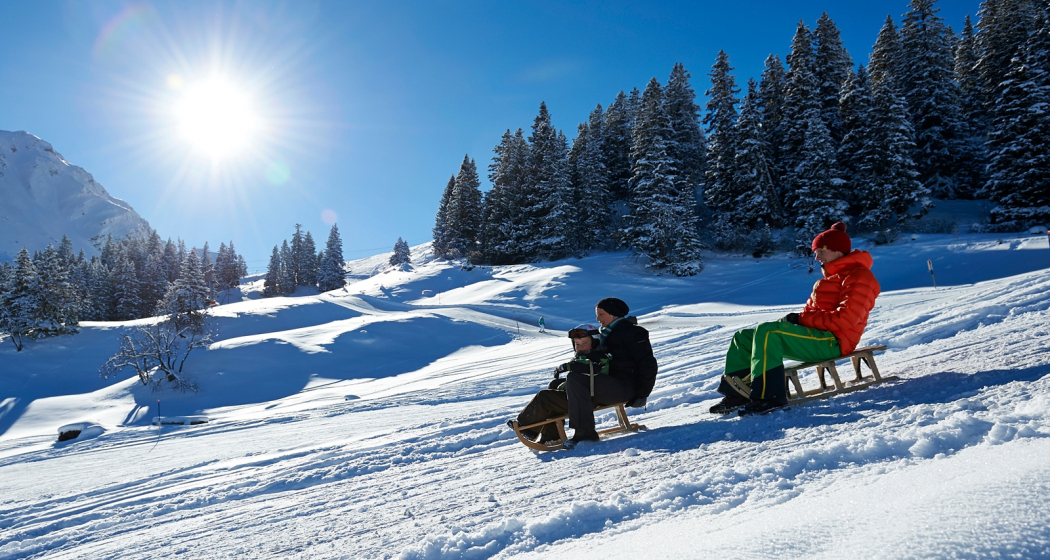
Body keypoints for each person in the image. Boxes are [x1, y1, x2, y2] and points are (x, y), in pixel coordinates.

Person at [709, 222, 881, 415]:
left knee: (768, 331)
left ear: (837, 251)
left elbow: (845, 319)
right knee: (743, 337)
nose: (816, 258)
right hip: (817, 336)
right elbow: (807, 314)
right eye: (815, 252)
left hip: (835, 341)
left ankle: (769, 397)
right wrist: (792, 321)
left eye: (820, 252)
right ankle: (738, 394)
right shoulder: (826, 281)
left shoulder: (859, 277)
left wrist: (800, 321)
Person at [564, 298, 658, 444]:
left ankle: (585, 431)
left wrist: (642, 393)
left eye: (601, 314)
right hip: (608, 383)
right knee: (560, 382)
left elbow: (648, 363)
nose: (597, 318)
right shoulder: (604, 334)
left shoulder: (633, 333)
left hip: (625, 386)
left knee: (576, 378)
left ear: (613, 314)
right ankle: (548, 430)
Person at [512, 324, 611, 443]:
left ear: (595, 341)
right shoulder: (583, 357)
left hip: (589, 399)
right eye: (577, 344)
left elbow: (589, 368)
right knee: (554, 385)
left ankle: (526, 428)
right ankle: (552, 434)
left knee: (545, 397)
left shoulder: (599, 357)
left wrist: (567, 366)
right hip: (583, 395)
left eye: (584, 343)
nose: (579, 347)